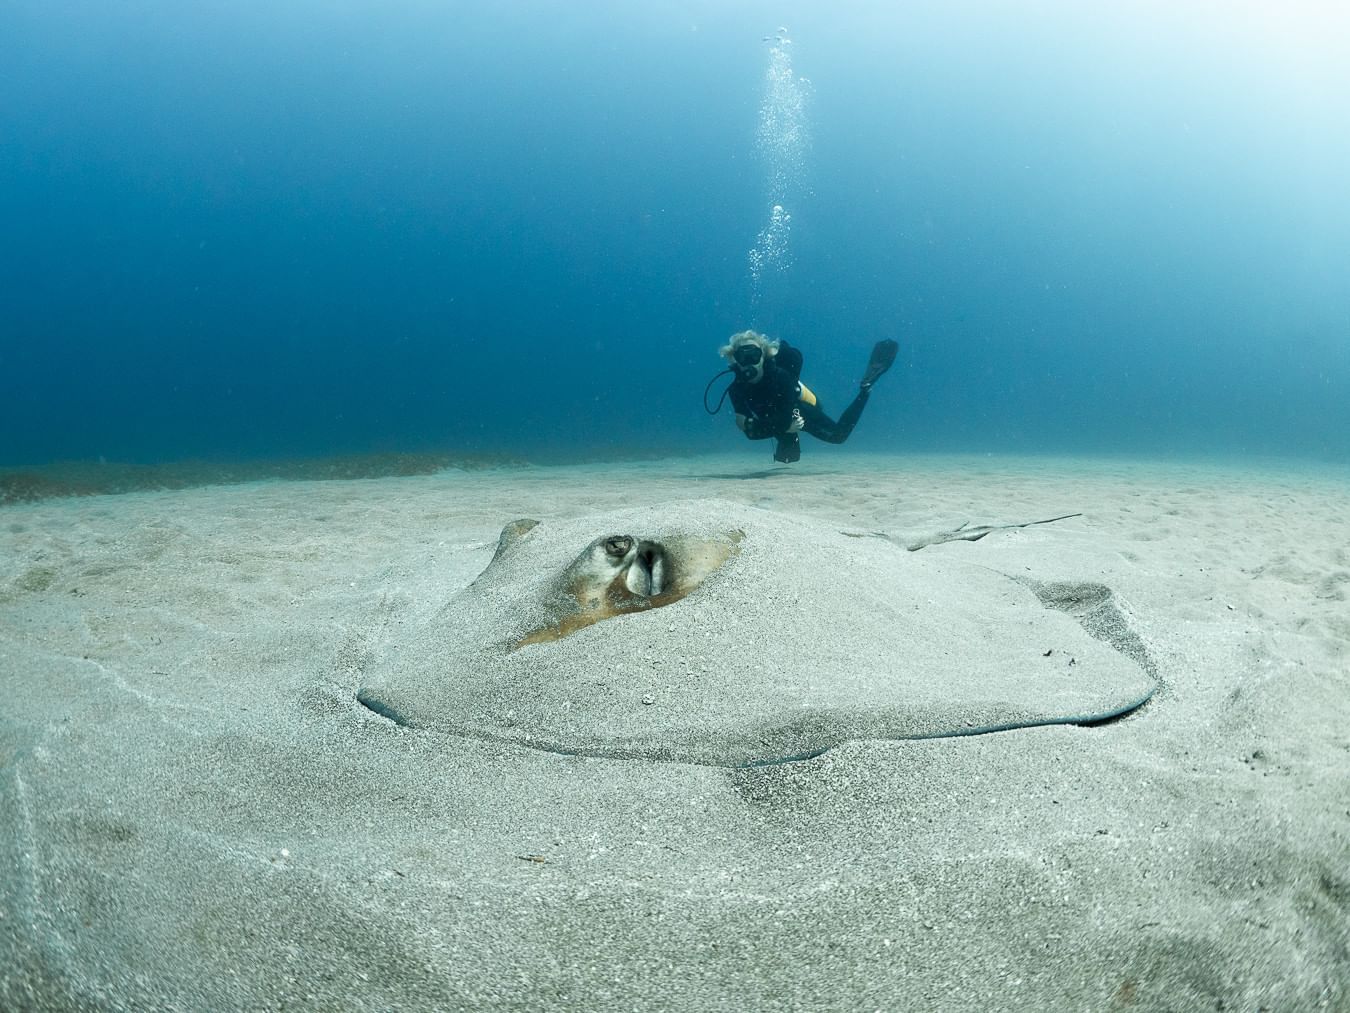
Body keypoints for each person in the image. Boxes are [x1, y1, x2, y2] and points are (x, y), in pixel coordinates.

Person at [718, 330, 897, 463]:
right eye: (742, 357)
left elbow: (764, 424)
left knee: (838, 436)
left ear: (763, 356)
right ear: (735, 360)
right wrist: (780, 427)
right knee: (787, 458)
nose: (749, 362)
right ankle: (785, 435)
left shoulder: (781, 376)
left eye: (754, 355)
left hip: (799, 408)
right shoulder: (736, 389)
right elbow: (749, 434)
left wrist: (757, 425)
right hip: (776, 419)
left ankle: (865, 388)